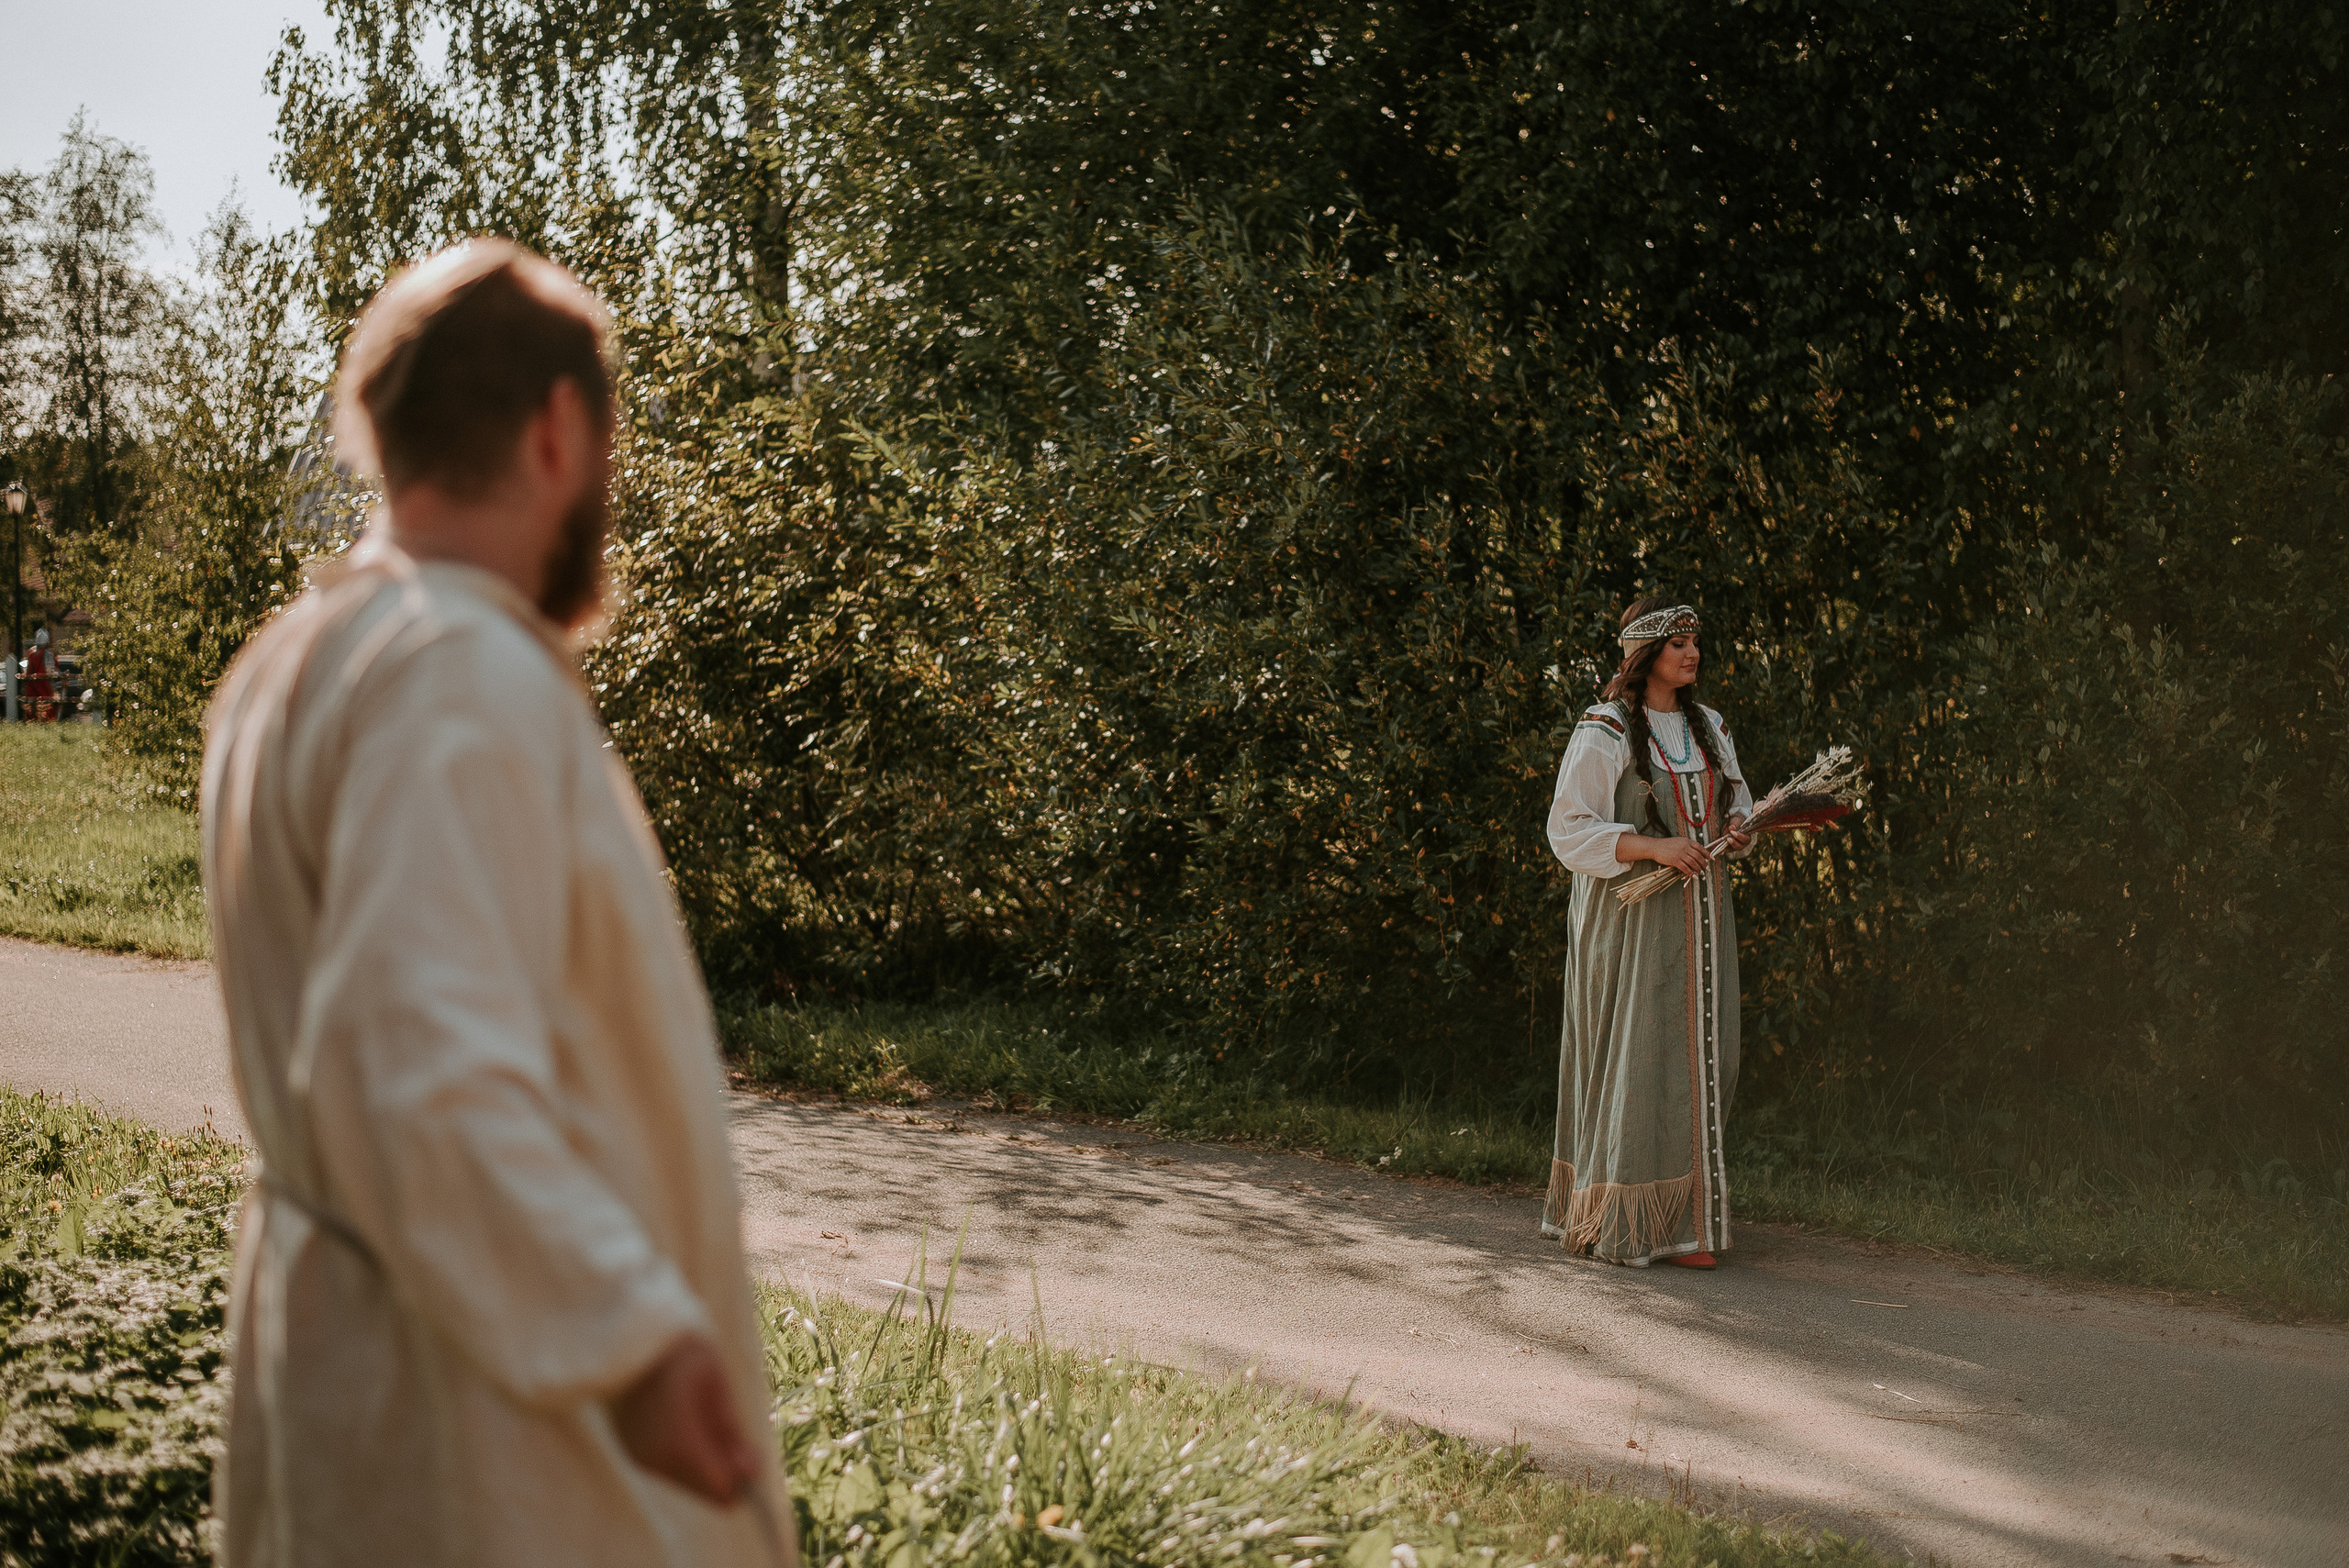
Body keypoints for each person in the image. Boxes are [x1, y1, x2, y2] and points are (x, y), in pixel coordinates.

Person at [201, 239, 796, 1566]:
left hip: (361, 1373)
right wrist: (629, 1341)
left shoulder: (293, 661)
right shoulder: (457, 669)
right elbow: (421, 1068)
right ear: (561, 429)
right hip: (489, 1435)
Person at [1541, 598, 1753, 1268]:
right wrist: (1655, 848)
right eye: (1677, 643)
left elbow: (1738, 805)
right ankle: (1628, 1216)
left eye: (1696, 640)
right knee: (1640, 1053)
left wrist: (1741, 830)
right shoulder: (1603, 729)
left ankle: (1685, 1221)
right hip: (1630, 920)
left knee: (1700, 1054)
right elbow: (1567, 828)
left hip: (1699, 921)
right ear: (1643, 656)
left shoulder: (1711, 728)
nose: (1692, 653)